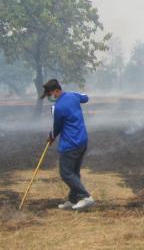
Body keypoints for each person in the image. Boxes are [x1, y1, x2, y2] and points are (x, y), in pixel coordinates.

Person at [41, 79, 95, 210]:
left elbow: (56, 127)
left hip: (70, 144)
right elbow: (86, 98)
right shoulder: (72, 95)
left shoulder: (57, 107)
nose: (51, 98)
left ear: (56, 90)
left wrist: (51, 137)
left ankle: (85, 197)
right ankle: (73, 199)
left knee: (66, 173)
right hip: (82, 140)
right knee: (74, 172)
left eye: (50, 95)